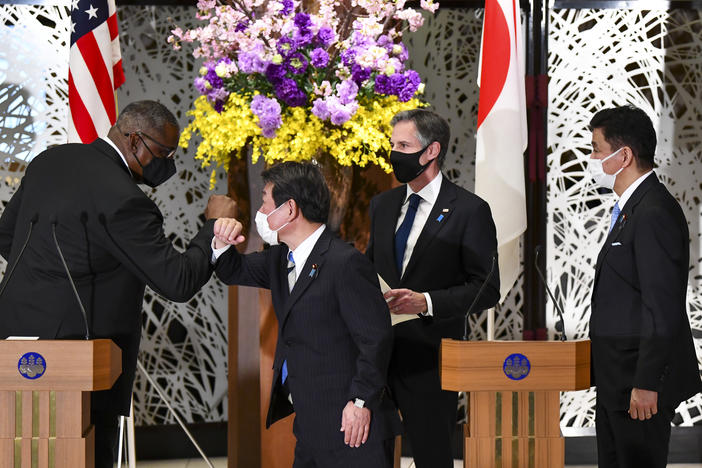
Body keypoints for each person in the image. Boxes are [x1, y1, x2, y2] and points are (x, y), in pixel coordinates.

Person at [0, 100, 237, 468]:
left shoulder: (49, 161)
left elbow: (6, 237)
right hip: (82, 363)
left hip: (13, 347)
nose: (168, 164)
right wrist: (212, 227)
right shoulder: (125, 200)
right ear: (134, 140)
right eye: (163, 152)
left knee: (18, 452)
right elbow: (177, 281)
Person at [212, 161, 400, 468]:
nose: (261, 210)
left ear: (289, 209)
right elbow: (234, 269)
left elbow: (375, 338)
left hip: (352, 426)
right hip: (311, 425)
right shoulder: (278, 259)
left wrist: (360, 401)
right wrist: (220, 238)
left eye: (265, 202)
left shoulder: (345, 262)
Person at [366, 108, 500, 467]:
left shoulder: (470, 211)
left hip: (431, 359)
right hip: (376, 357)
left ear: (431, 151)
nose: (394, 152)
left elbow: (486, 289)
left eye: (403, 144)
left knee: (432, 455)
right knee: (370, 455)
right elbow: (368, 269)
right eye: (393, 143)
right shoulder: (382, 205)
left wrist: (424, 302)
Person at [587, 105, 702, 468]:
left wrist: (647, 382)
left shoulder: (653, 211)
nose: (591, 159)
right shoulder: (631, 208)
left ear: (624, 156)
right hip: (615, 382)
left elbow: (662, 304)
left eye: (596, 149)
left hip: (638, 384)